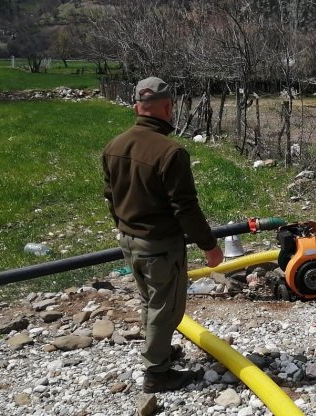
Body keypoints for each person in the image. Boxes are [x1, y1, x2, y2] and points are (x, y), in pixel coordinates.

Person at [102, 76, 223, 393]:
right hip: (158, 245)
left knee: (149, 301)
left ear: (137, 107)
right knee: (166, 308)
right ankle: (157, 373)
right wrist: (210, 247)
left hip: (129, 241)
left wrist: (124, 228)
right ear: (168, 107)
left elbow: (110, 196)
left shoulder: (114, 145)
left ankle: (162, 351)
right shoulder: (170, 152)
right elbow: (186, 208)